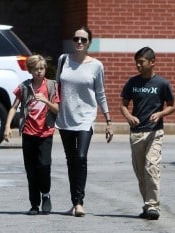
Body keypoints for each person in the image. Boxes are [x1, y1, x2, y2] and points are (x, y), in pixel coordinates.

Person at [55, 26, 113, 217]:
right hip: (65, 118)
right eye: (76, 39)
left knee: (80, 157)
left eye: (83, 40)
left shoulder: (96, 65)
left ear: (89, 43)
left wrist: (108, 120)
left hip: (86, 118)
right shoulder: (63, 60)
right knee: (71, 160)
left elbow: (100, 93)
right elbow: (57, 88)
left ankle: (80, 203)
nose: (79, 42)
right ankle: (74, 202)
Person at [120, 47, 175, 220]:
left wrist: (160, 114)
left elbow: (172, 106)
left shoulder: (162, 84)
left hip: (154, 132)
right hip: (136, 133)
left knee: (151, 167)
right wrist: (129, 116)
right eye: (136, 61)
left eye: (141, 61)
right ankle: (147, 204)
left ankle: (153, 207)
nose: (138, 65)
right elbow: (123, 104)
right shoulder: (132, 83)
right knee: (140, 172)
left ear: (152, 62)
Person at [4, 55, 60, 215]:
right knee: (31, 170)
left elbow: (57, 109)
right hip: (28, 133)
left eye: (42, 69)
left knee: (44, 165)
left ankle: (46, 194)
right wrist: (7, 126)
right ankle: (34, 204)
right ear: (30, 71)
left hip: (45, 133)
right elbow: (14, 107)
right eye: (36, 70)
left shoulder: (51, 86)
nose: (40, 72)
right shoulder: (24, 87)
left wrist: (45, 101)